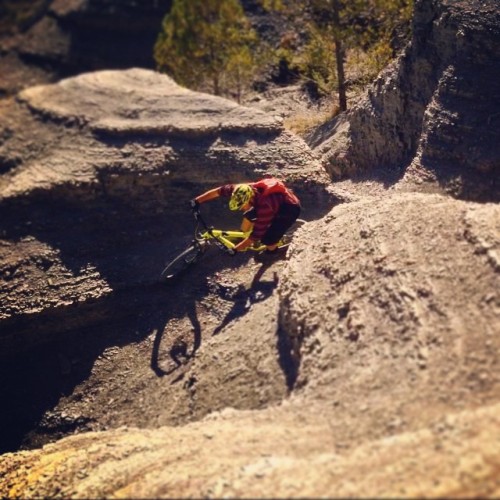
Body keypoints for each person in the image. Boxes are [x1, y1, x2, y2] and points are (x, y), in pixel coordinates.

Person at [190, 177, 301, 256]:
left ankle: (272, 252)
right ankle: (242, 236)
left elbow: (256, 235)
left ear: (249, 199)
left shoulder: (265, 207)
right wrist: (197, 201)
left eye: (243, 206)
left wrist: (236, 249)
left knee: (268, 239)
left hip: (289, 209)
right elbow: (217, 192)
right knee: (248, 216)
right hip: (273, 202)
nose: (242, 208)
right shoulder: (240, 190)